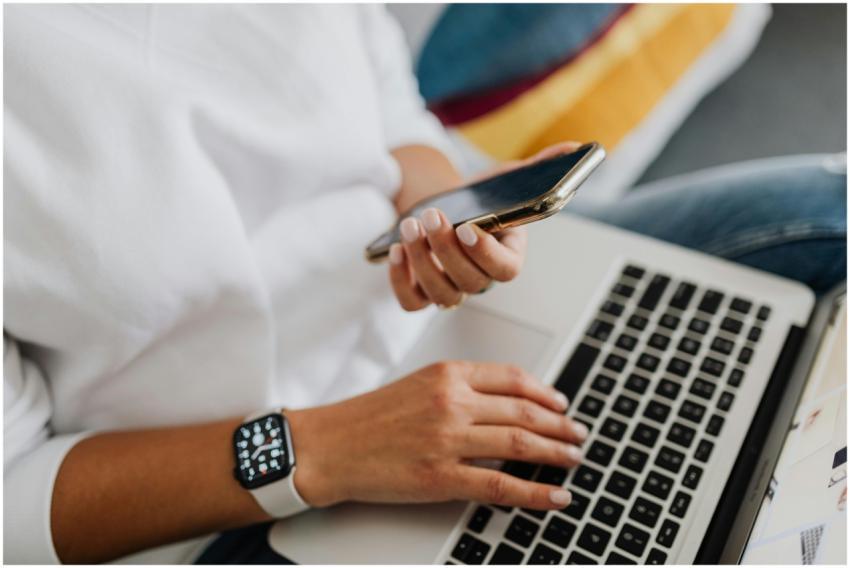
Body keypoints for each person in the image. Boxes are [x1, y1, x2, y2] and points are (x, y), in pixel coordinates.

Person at [4, 5, 844, 565]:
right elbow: (12, 506)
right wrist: (325, 447)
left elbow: (390, 110)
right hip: (252, 495)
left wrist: (441, 210)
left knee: (829, 209)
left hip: (468, 316)